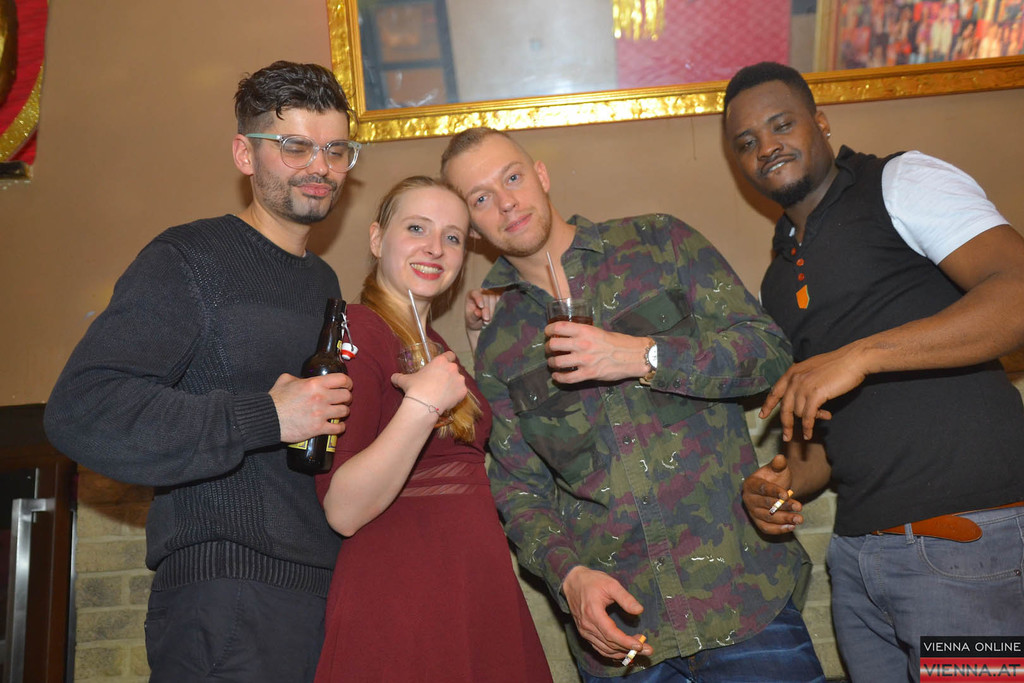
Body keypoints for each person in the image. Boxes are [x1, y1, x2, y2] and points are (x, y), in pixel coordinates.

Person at [442, 127, 825, 681]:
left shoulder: (659, 243)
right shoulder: (499, 344)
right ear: (473, 228)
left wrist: (645, 355)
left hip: (743, 601)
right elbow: (519, 491)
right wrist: (568, 577)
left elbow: (768, 354)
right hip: (623, 641)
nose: (505, 202)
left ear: (541, 175)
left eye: (513, 177)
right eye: (481, 198)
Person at [44, 61, 358, 682]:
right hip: (227, 596)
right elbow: (82, 407)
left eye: (336, 150)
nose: (320, 167)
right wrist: (267, 416)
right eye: (295, 146)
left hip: (319, 594)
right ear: (245, 154)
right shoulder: (191, 257)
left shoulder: (324, 283)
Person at [723, 61, 1024, 682]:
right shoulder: (777, 278)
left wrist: (860, 356)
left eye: (781, 125)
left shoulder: (899, 181)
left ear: (821, 121)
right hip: (858, 565)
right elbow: (820, 447)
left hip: (966, 547)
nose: (765, 147)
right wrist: (779, 484)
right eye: (746, 142)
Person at [312, 175, 552, 682]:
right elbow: (342, 509)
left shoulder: (436, 346)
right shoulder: (357, 331)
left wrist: (476, 347)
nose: (435, 248)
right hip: (406, 599)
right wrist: (421, 405)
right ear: (377, 238)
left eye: (453, 237)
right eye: (417, 228)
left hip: (473, 587)